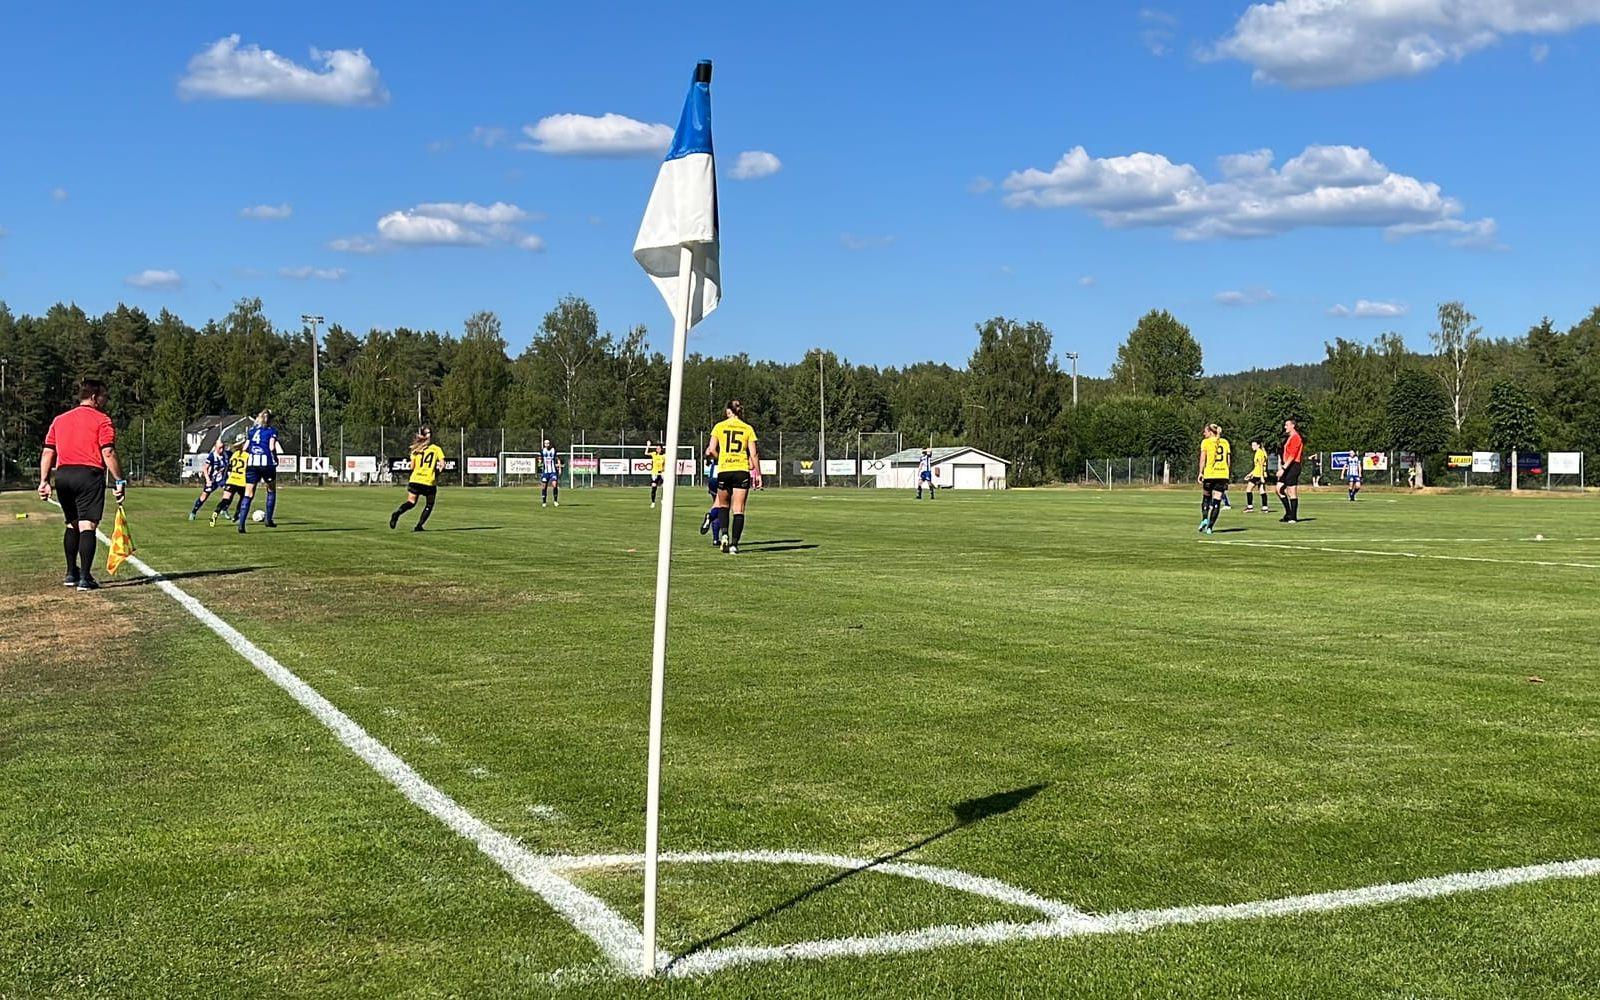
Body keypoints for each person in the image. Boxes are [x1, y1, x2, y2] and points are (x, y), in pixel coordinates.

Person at [38, 378, 125, 591]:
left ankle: (70, 573)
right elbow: (108, 451)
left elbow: (48, 451)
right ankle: (85, 577)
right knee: (88, 525)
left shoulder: (60, 420)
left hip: (64, 475)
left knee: (71, 524)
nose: (106, 400)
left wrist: (44, 481)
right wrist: (119, 480)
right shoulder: (102, 420)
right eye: (104, 396)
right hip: (89, 474)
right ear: (94, 397)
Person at [706, 399, 762, 555]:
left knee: (723, 505)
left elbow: (711, 450)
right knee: (739, 509)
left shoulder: (719, 426)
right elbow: (754, 454)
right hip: (741, 470)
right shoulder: (747, 428)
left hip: (724, 470)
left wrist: (721, 457)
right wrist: (758, 473)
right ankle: (734, 545)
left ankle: (724, 534)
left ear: (727, 411)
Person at [236, 408, 283, 533]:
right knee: (271, 489)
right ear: (270, 419)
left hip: (252, 464)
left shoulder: (251, 431)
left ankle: (241, 524)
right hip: (266, 463)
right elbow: (272, 446)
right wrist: (275, 458)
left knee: (248, 494)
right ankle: (268, 520)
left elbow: (245, 448)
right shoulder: (271, 431)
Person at [391, 426, 445, 531]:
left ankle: (397, 513)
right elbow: (442, 465)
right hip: (429, 482)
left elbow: (412, 467)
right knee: (429, 504)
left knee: (411, 502)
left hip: (415, 480)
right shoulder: (436, 449)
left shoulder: (415, 450)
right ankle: (419, 526)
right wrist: (436, 474)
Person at [1196, 423, 1230, 535]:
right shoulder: (1225, 442)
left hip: (1210, 474)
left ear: (1210, 432)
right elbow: (1228, 461)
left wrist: (1201, 472)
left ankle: (1205, 518)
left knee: (1206, 497)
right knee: (1217, 500)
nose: (1203, 433)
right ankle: (1210, 527)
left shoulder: (1206, 442)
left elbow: (1202, 459)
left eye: (1205, 431)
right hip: (1222, 474)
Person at [210, 435, 248, 526]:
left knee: (226, 499)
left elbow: (229, 468)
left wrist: (226, 479)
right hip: (242, 481)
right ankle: (236, 515)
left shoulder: (234, 455)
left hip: (231, 480)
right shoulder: (248, 455)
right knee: (243, 499)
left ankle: (216, 512)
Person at [189, 438, 228, 520]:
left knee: (228, 492)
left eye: (223, 447)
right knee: (204, 496)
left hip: (222, 479)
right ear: (215, 447)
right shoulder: (212, 456)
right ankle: (194, 512)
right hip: (212, 479)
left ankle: (224, 510)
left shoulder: (226, 454)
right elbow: (205, 468)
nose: (221, 449)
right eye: (219, 448)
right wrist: (208, 480)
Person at [1277, 418, 1304, 523]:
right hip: (1287, 465)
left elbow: (1292, 455)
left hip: (1293, 466)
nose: (1285, 427)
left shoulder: (1296, 437)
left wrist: (1283, 468)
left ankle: (1293, 516)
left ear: (1292, 426)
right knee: (1278, 489)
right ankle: (1288, 512)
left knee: (1291, 491)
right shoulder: (1290, 437)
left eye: (1286, 425)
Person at [699, 453, 722, 545]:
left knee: (717, 505)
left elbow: (708, 452)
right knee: (722, 507)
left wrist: (709, 459)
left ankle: (716, 539)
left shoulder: (715, 440)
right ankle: (710, 516)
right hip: (723, 475)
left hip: (713, 477)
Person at [1244, 439, 1271, 513]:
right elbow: (1257, 467)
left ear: (1258, 445)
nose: (1252, 447)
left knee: (1248, 489)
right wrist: (1250, 474)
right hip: (1259, 474)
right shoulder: (1261, 452)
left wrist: (1261, 477)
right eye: (1252, 445)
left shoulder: (1259, 453)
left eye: (1254, 445)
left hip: (1258, 475)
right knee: (1262, 491)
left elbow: (1261, 466)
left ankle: (1250, 507)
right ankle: (1265, 508)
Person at [539, 439, 562, 508]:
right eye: (546, 443)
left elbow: (558, 459)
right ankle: (544, 502)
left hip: (553, 471)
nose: (547, 445)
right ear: (544, 444)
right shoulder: (542, 451)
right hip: (545, 472)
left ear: (550, 444)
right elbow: (540, 459)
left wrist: (560, 468)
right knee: (544, 486)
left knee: (554, 485)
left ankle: (555, 501)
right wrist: (539, 462)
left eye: (548, 443)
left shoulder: (553, 450)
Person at [649, 444, 667, 508]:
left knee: (664, 487)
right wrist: (648, 446)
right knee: (654, 487)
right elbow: (646, 453)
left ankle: (663, 499)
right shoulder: (654, 454)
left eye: (659, 448)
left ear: (661, 449)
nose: (657, 449)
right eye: (657, 448)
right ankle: (653, 502)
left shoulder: (664, 456)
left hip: (662, 473)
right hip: (655, 473)